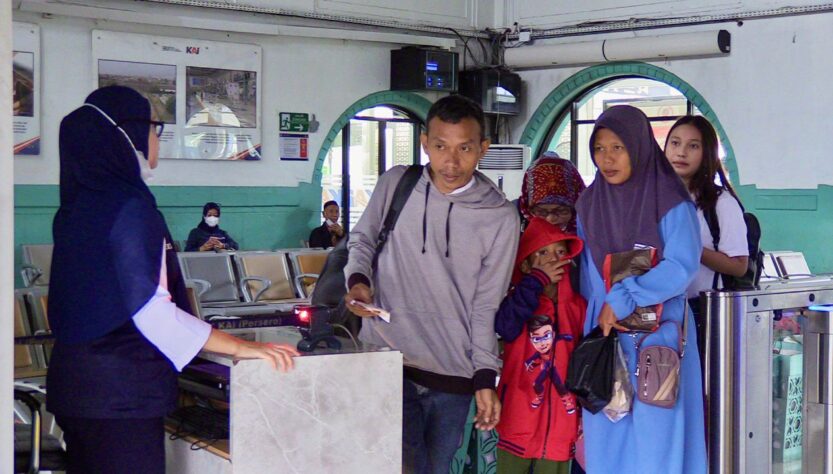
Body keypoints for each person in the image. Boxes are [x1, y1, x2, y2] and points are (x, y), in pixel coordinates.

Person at [46, 86, 299, 474]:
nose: (157, 139)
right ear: (128, 133)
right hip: (121, 395)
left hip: (76, 388)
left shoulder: (76, 208)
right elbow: (152, 313)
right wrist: (242, 347)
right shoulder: (130, 208)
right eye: (154, 127)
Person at [344, 95, 520, 474]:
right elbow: (362, 239)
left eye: (464, 149)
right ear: (425, 143)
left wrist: (484, 377)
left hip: (452, 376)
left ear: (483, 149)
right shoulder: (398, 184)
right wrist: (358, 280)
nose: (451, 162)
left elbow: (486, 305)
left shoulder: (500, 217)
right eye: (440, 147)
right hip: (387, 358)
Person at [575, 105, 707, 473]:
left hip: (658, 338)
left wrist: (624, 297)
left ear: (639, 147)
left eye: (617, 148)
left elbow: (681, 266)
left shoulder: (671, 202)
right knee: (608, 429)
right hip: (607, 336)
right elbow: (589, 277)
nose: (607, 159)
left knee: (657, 434)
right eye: (599, 149)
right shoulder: (589, 204)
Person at [494, 217, 586, 474]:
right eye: (543, 253)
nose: (553, 259)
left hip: (562, 424)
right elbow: (505, 327)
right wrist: (536, 281)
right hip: (517, 418)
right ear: (525, 264)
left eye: (560, 252)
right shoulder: (516, 302)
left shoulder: (578, 306)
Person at [664, 116, 748, 310]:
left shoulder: (721, 202)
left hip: (703, 309)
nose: (681, 152)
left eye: (693, 146)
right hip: (659, 309)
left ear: (707, 153)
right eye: (675, 143)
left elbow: (739, 266)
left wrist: (689, 248)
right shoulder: (654, 197)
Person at [518, 152, 586, 233]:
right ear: (528, 209)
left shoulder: (591, 228)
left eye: (561, 211)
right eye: (541, 212)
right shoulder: (514, 220)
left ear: (575, 208)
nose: (551, 219)